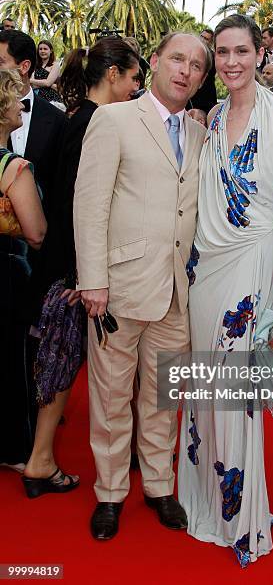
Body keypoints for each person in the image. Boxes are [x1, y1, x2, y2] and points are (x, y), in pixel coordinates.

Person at [178, 15, 273, 567]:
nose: (231, 62)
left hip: (253, 268)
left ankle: (244, 519)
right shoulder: (208, 119)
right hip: (204, 268)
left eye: (241, 52)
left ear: (261, 54)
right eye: (222, 53)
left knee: (237, 392)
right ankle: (206, 497)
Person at [73, 32, 212, 540]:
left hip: (177, 289)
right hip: (119, 287)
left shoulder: (201, 136)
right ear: (154, 62)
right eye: (177, 58)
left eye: (197, 65)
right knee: (110, 395)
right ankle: (109, 493)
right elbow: (90, 205)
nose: (185, 70)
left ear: (202, 78)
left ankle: (159, 485)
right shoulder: (112, 120)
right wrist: (93, 281)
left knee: (163, 397)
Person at [21, 38, 140, 499]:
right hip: (70, 270)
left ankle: (42, 457)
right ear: (112, 76)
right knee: (60, 361)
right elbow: (80, 204)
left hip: (64, 264)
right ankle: (41, 459)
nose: (134, 89)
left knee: (60, 362)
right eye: (132, 79)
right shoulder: (95, 122)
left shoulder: (78, 119)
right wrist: (79, 275)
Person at [0, 69, 46, 473]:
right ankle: (15, 449)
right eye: (15, 99)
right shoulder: (13, 167)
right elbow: (36, 232)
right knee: (13, 363)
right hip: (8, 274)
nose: (20, 106)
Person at [0, 30, 66, 219]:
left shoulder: (56, 120)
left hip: (41, 239)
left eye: (0, 62)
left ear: (24, 66)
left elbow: (60, 187)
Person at [189, 28, 218, 121]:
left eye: (206, 39)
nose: (202, 40)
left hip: (207, 97)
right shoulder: (190, 52)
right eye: (201, 36)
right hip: (191, 95)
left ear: (210, 42)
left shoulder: (214, 57)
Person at [31, 40, 63, 106]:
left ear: (51, 51)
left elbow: (48, 83)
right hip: (36, 97)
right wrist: (50, 84)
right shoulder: (35, 65)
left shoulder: (55, 65)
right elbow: (32, 86)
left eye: (45, 49)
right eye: (40, 49)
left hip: (51, 100)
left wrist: (31, 80)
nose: (42, 51)